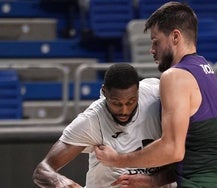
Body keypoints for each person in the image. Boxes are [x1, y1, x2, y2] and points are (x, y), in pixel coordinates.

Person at [94, 2, 217, 188]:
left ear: (175, 36)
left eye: (156, 41)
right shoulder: (206, 70)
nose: (152, 50)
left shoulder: (175, 76)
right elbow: (197, 152)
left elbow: (172, 150)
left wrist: (118, 160)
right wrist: (154, 180)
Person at [32, 63, 176, 188]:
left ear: (138, 91)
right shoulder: (91, 121)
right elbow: (43, 169)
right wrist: (58, 181)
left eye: (131, 102)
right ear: (104, 92)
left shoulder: (157, 94)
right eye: (116, 103)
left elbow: (188, 158)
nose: (124, 110)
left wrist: (153, 181)